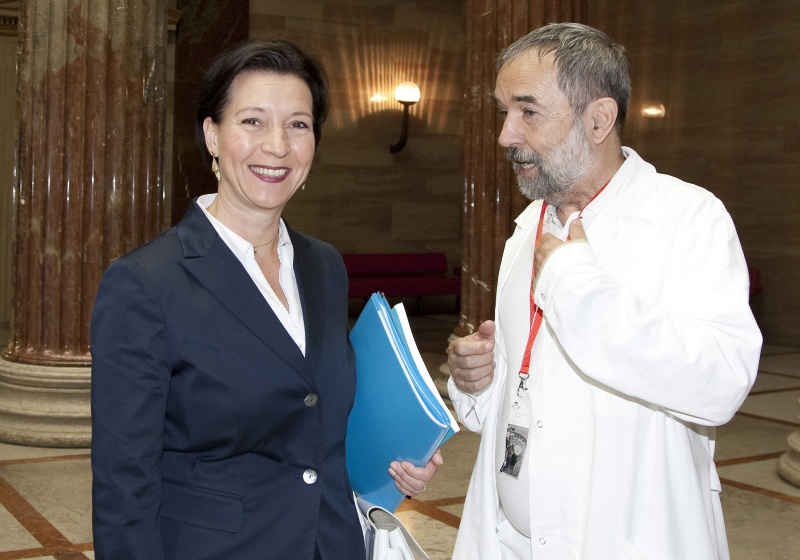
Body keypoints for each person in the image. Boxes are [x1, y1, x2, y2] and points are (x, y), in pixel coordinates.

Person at [90, 39, 441, 560]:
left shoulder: (323, 266)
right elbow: (124, 485)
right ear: (212, 135)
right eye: (252, 121)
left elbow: (320, 414)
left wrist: (393, 459)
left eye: (298, 125)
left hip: (330, 543)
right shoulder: (145, 283)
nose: (277, 146)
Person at [446, 23, 761, 560]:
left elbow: (721, 382)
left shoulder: (686, 217)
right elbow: (529, 392)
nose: (505, 135)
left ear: (598, 119)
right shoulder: (526, 231)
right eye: (504, 112)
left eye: (528, 111)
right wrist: (475, 385)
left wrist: (576, 284)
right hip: (509, 543)